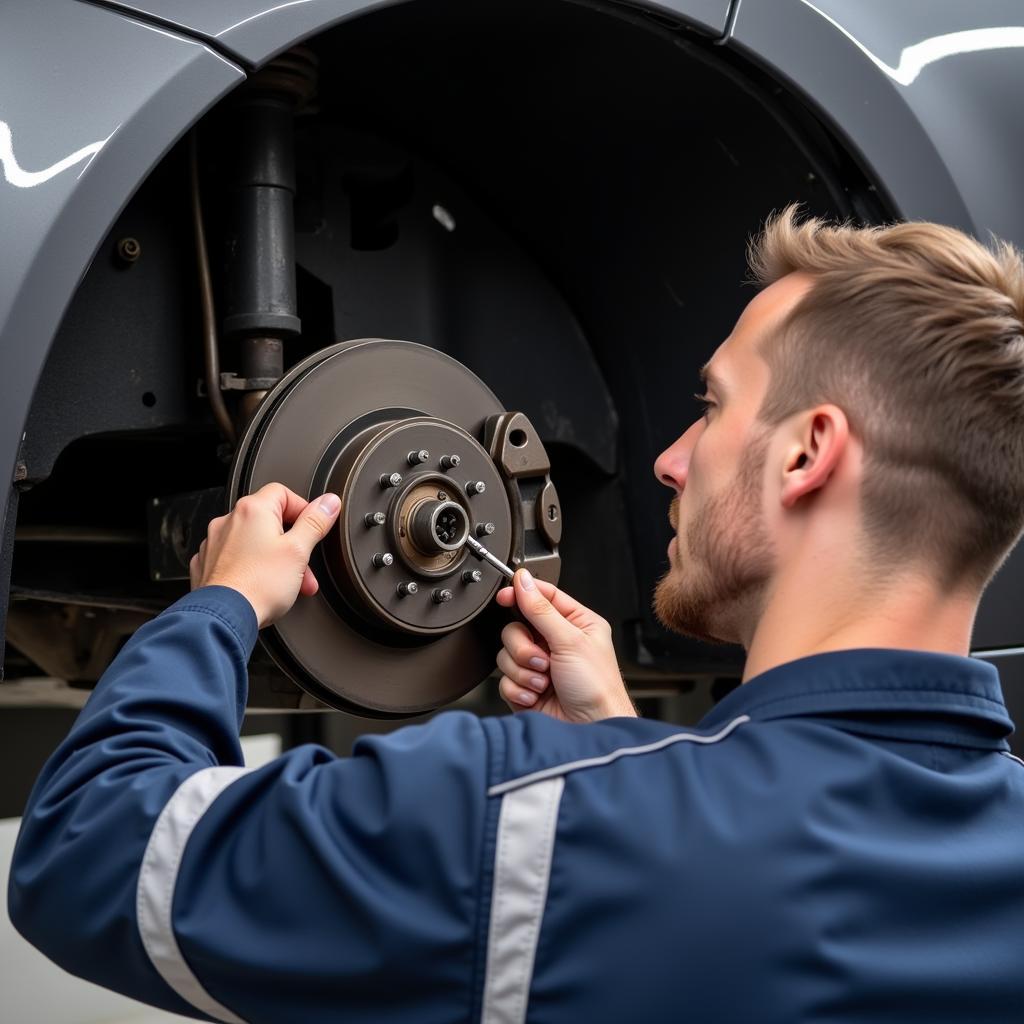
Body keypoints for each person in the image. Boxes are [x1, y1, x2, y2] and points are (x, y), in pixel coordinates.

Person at [9, 207, 1024, 1023]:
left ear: (807, 453)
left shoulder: (531, 828)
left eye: (711, 406)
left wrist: (221, 603)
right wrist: (625, 752)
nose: (670, 461)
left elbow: (87, 849)